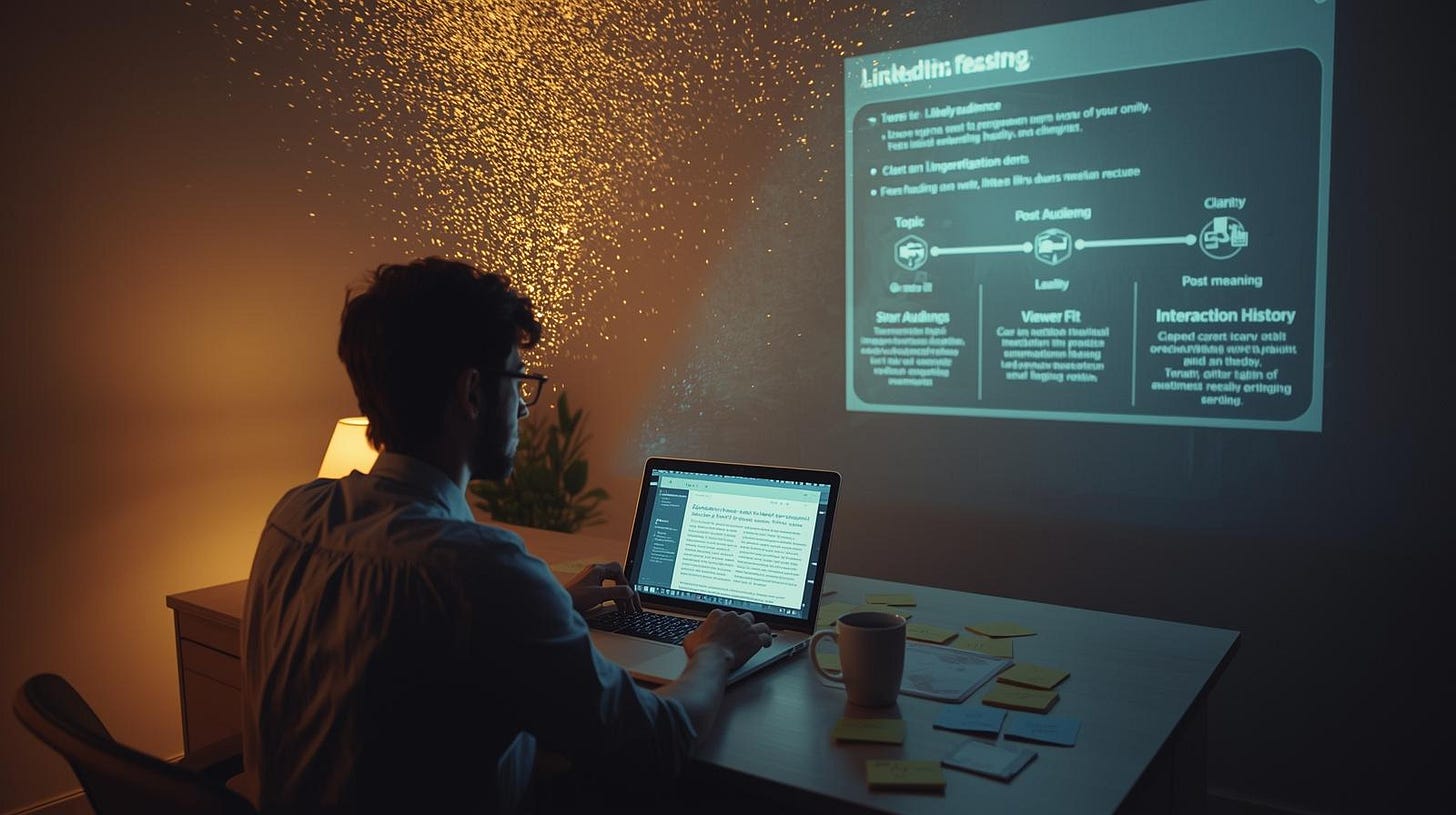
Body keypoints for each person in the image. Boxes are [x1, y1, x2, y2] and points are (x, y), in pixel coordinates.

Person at [240, 257, 771, 814]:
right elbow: (658, 743)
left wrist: (549, 607)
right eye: (518, 381)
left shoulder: (294, 516)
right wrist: (714, 652)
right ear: (472, 392)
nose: (523, 407)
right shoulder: (480, 572)